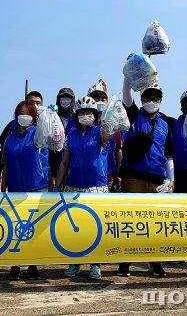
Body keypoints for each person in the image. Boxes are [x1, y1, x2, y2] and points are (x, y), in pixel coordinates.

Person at [117, 79, 174, 278]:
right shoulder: (132, 115)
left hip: (158, 178)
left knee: (156, 223)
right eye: (148, 98)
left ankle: (155, 263)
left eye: (155, 98)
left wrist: (171, 179)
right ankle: (125, 263)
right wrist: (128, 78)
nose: (152, 101)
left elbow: (168, 155)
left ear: (161, 101)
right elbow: (126, 96)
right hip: (133, 175)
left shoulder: (166, 124)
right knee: (131, 220)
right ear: (141, 100)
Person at [54, 96, 114, 279]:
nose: (85, 115)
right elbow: (64, 162)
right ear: (77, 115)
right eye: (82, 112)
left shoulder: (99, 132)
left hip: (97, 187)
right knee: (76, 227)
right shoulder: (70, 134)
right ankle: (75, 262)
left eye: (89, 112)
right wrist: (58, 185)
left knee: (96, 227)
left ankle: (95, 264)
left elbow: (108, 134)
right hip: (74, 187)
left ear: (95, 115)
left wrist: (107, 113)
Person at [1, 101, 48, 280]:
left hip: (36, 187)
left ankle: (33, 265)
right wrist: (2, 187)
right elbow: (5, 165)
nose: (24, 116)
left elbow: (55, 144)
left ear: (34, 117)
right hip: (15, 188)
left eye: (28, 113)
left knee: (33, 228)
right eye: (21, 112)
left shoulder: (39, 134)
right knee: (15, 227)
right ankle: (15, 265)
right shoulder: (9, 139)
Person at [0, 91, 44, 179]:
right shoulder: (11, 127)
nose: (34, 105)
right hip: (15, 183)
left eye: (38, 103)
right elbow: (3, 149)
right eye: (31, 102)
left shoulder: (43, 129)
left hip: (37, 183)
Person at [87, 79, 122, 191]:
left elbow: (118, 150)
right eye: (96, 98)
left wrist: (119, 173)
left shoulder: (113, 124)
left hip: (109, 175)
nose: (100, 101)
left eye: (103, 98)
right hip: (87, 175)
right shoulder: (83, 124)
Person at [49, 88, 76, 189]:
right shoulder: (52, 118)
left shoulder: (77, 119)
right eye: (62, 98)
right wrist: (53, 174)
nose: (65, 100)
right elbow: (49, 148)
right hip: (56, 168)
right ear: (58, 100)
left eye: (68, 98)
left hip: (73, 169)